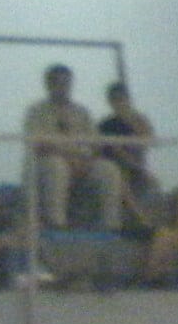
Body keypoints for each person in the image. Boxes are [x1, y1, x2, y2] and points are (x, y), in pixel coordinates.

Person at [21, 64, 124, 235]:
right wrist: (69, 159)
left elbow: (96, 144)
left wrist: (87, 162)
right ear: (48, 84)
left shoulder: (82, 112)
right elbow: (38, 145)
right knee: (57, 166)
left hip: (81, 163)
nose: (63, 87)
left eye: (66, 83)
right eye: (58, 83)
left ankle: (110, 226)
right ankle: (56, 223)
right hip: (47, 164)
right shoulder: (36, 112)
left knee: (109, 170)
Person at [96, 81, 158, 212]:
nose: (119, 102)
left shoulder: (139, 120)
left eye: (122, 98)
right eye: (115, 99)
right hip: (116, 168)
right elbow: (112, 151)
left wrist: (133, 121)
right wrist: (134, 164)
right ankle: (138, 215)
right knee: (122, 182)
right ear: (110, 101)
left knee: (153, 185)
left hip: (137, 168)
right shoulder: (105, 125)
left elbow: (149, 140)